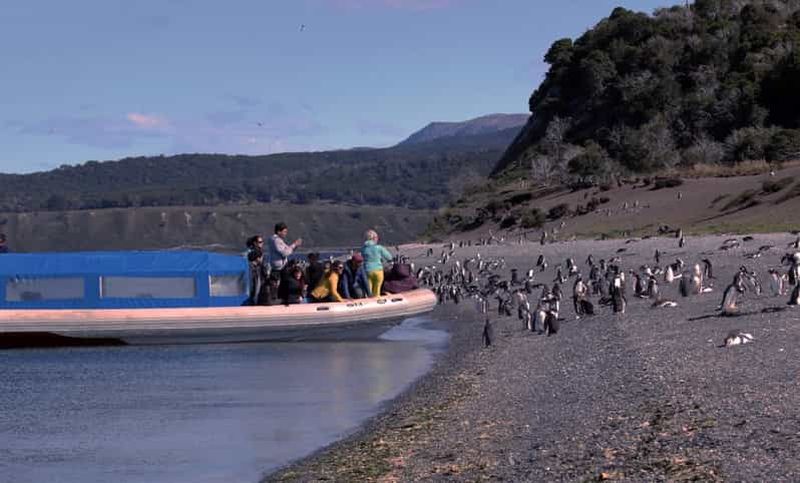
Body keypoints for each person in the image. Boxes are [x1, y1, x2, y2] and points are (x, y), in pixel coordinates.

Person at [361, 229, 393, 298]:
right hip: (378, 270)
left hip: (367, 271)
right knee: (377, 290)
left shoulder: (363, 249)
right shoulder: (379, 248)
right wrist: (390, 261)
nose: (377, 239)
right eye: (376, 237)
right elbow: (389, 257)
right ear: (374, 238)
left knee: (368, 291)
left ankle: (368, 300)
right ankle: (377, 299)